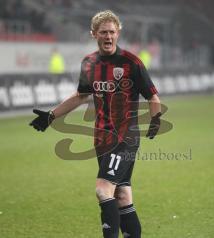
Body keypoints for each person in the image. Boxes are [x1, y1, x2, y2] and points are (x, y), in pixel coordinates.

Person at [30, 10, 162, 238]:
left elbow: (152, 96)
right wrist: (51, 116)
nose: (108, 37)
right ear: (94, 34)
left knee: (103, 190)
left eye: (112, 32)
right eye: (103, 32)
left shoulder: (132, 63)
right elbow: (80, 95)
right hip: (102, 140)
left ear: (118, 33)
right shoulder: (89, 63)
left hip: (125, 138)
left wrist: (156, 118)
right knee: (121, 196)